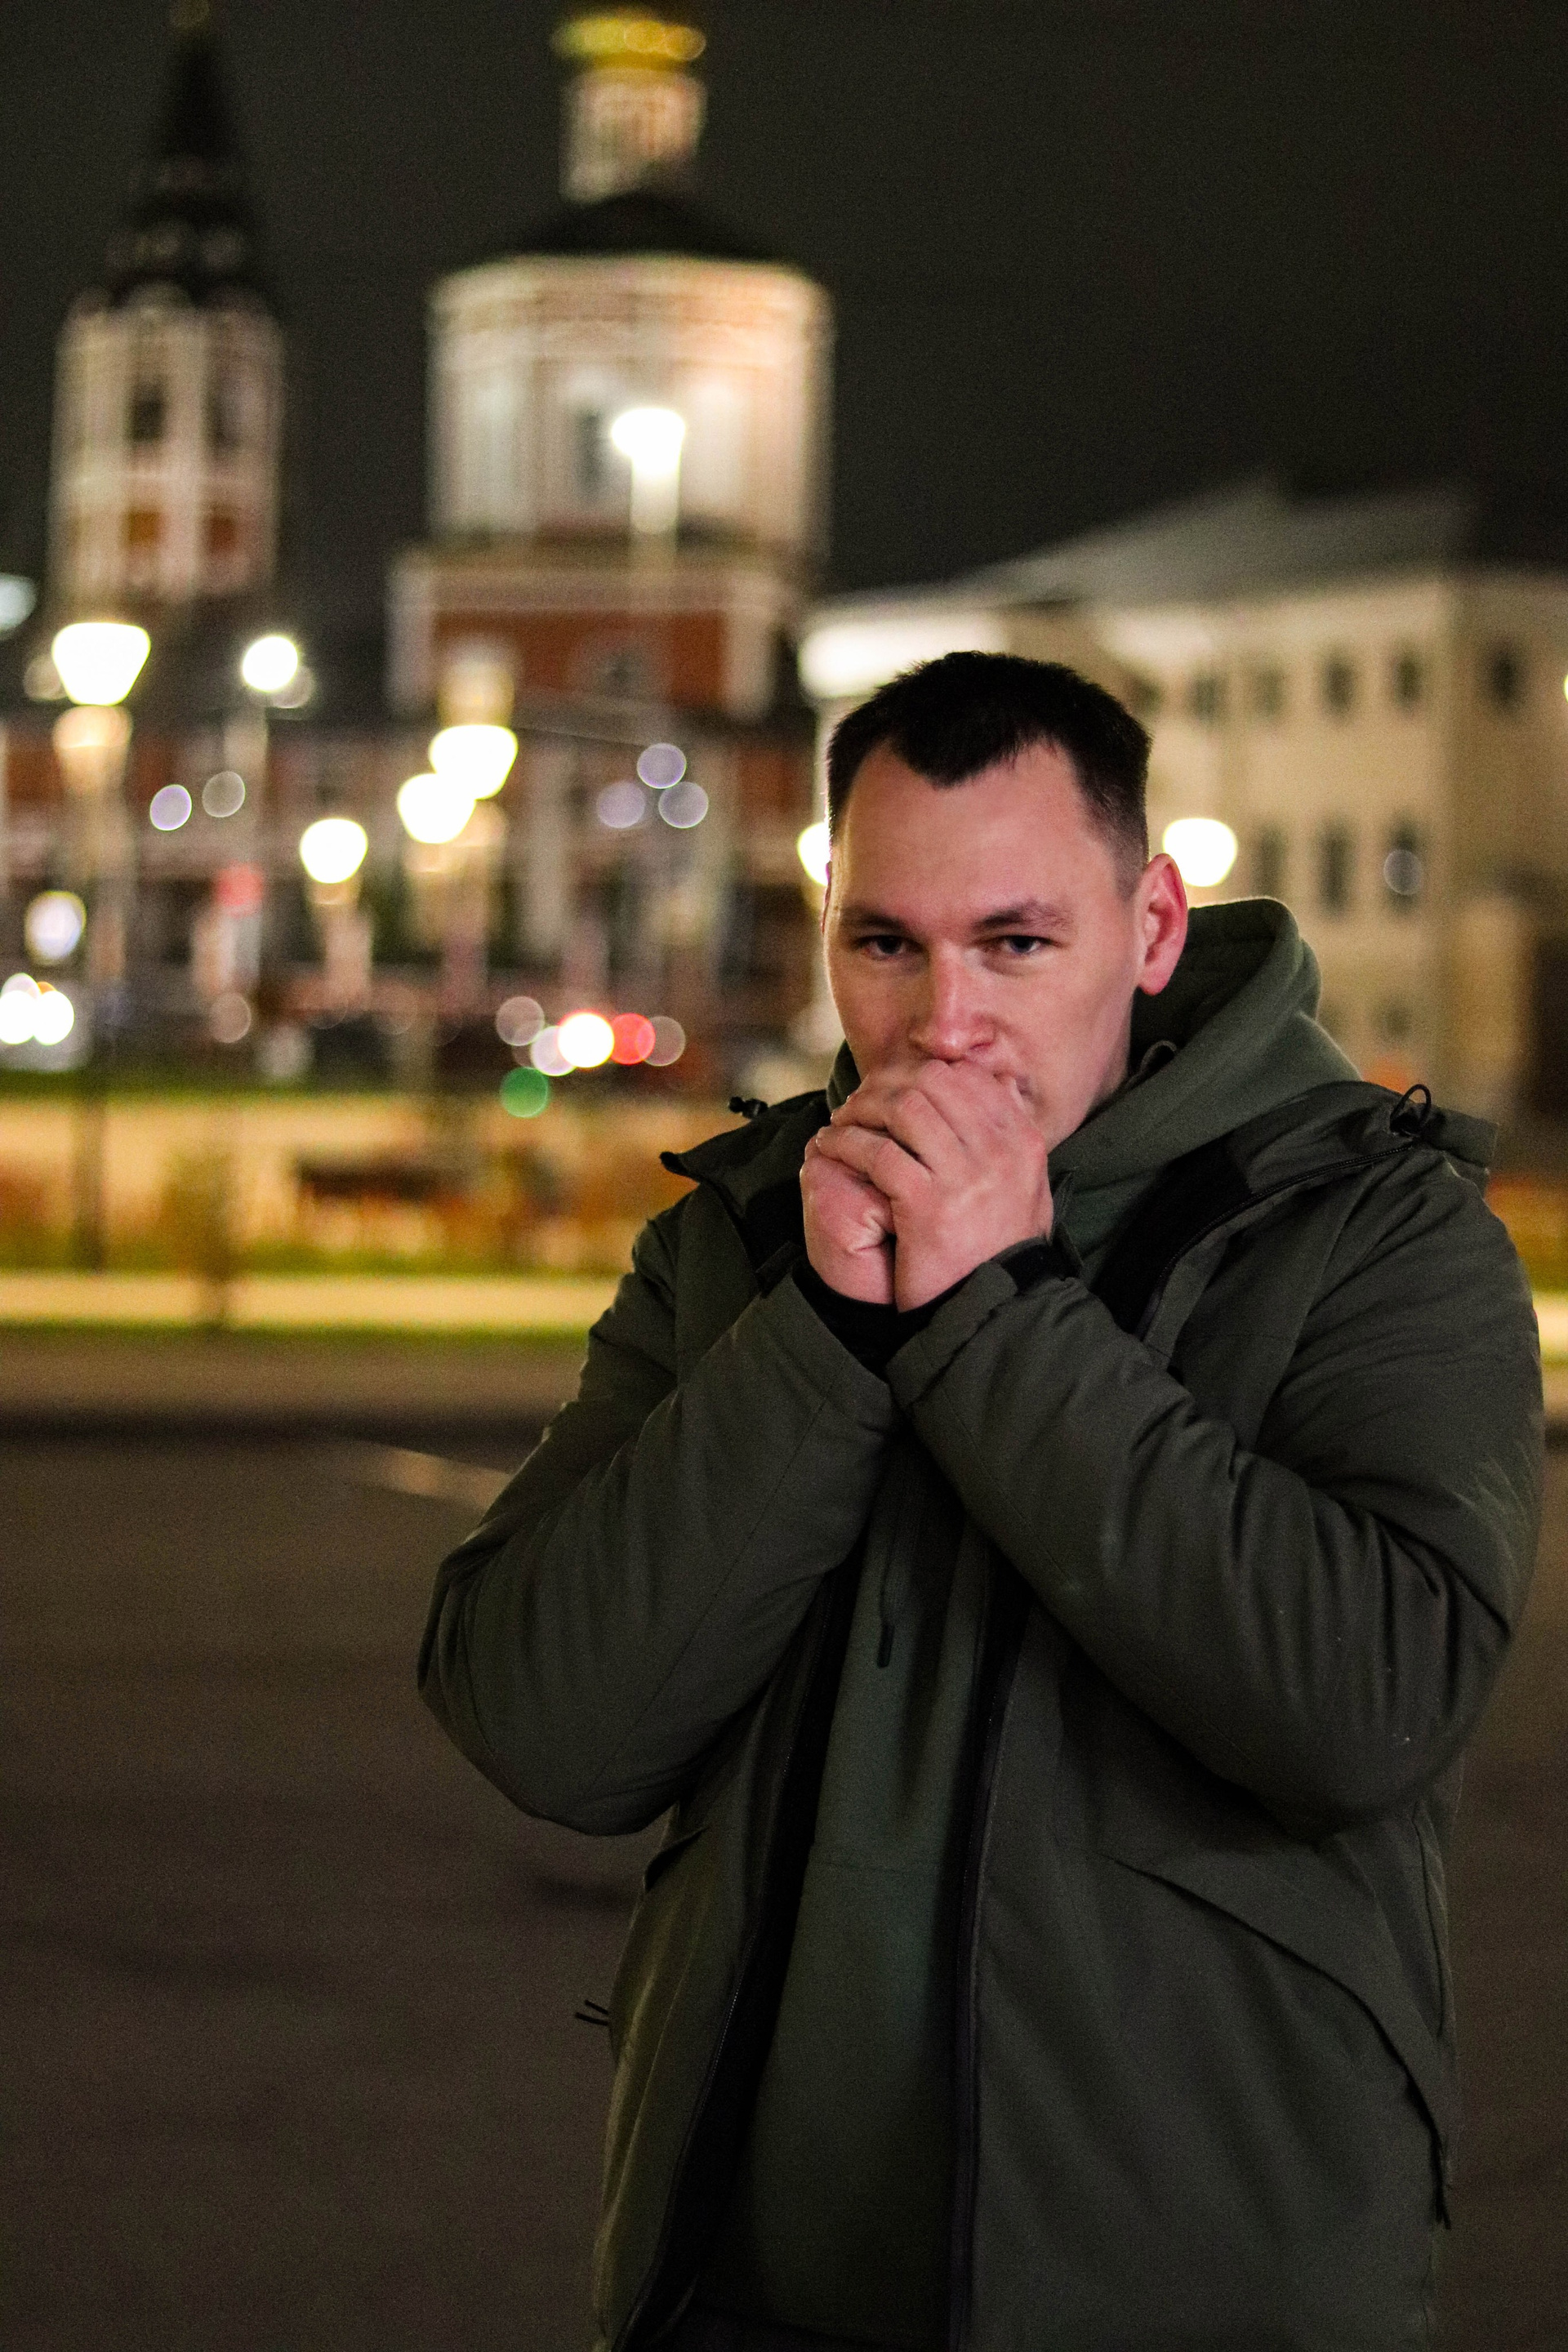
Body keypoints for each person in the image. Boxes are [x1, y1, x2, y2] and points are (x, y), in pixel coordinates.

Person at [420, 652, 1542, 2352]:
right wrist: (825, 1333)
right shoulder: (744, 1235)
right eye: (887, 944)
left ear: (1150, 928)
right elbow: (542, 1721)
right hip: (744, 2295)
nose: (946, 1022)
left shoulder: (1372, 1233)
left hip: (1189, 2299)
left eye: (1017, 944)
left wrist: (994, 1310)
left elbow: (1363, 1704)